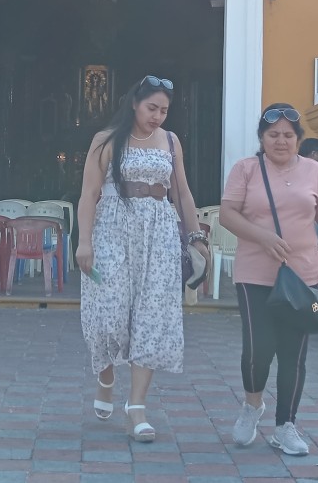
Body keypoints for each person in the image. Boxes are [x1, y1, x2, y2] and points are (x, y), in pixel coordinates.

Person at [75, 76, 206, 444]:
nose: (158, 117)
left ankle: (137, 408)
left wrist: (195, 238)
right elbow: (88, 194)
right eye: (152, 108)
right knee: (108, 313)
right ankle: (105, 374)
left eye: (164, 110)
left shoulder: (171, 141)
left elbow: (182, 192)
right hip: (114, 225)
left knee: (152, 315)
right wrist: (84, 242)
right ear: (135, 103)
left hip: (159, 231)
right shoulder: (106, 140)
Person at [219, 104, 318, 454]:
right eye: (273, 134)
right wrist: (263, 237)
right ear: (261, 138)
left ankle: (285, 425)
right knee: (258, 350)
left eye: (288, 135)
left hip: (304, 273)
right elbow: (228, 215)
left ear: (298, 139)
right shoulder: (245, 169)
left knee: (294, 354)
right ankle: (252, 405)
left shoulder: (313, 171)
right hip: (255, 273)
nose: (281, 141)